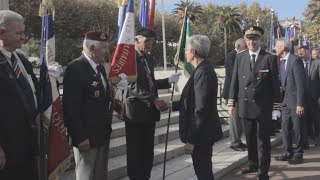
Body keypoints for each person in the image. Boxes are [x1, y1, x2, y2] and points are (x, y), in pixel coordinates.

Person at [156, 34, 223, 180]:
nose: (185, 52)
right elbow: (192, 101)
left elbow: (200, 109)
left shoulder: (203, 72)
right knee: (203, 170)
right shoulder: (200, 70)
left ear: (194, 52)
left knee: (203, 172)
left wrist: (191, 140)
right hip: (202, 134)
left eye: (186, 49)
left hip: (201, 136)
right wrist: (170, 104)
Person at [123, 27, 181, 180]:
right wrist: (154, 100)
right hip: (135, 113)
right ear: (136, 40)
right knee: (136, 153)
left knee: (148, 151)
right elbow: (132, 85)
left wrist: (167, 81)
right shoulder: (129, 58)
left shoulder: (148, 58)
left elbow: (150, 83)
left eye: (152, 42)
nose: (149, 44)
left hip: (149, 113)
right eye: (146, 41)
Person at [228, 26, 281, 180]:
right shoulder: (240, 57)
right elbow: (235, 82)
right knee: (250, 139)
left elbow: (275, 84)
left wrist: (277, 107)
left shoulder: (269, 58)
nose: (252, 42)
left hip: (263, 108)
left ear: (260, 40)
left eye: (255, 39)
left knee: (262, 141)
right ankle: (252, 163)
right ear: (245, 40)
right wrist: (231, 102)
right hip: (245, 106)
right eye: (249, 39)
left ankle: (263, 171)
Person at [63, 31, 113, 180]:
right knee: (86, 175)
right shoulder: (76, 68)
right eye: (104, 47)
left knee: (99, 175)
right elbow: (71, 107)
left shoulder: (100, 67)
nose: (107, 51)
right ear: (92, 48)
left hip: (102, 134)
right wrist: (80, 137)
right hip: (86, 137)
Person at [0, 10, 38, 180]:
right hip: (7, 149)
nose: (23, 37)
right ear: (1, 33)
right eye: (19, 33)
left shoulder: (22, 59)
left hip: (28, 144)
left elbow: (33, 91)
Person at [274, 39, 305, 164]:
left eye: (276, 46)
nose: (275, 48)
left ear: (283, 48)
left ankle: (298, 153)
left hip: (296, 102)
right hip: (285, 101)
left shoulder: (295, 60)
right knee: (285, 127)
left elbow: (300, 84)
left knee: (297, 128)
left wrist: (300, 104)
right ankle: (287, 152)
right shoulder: (282, 62)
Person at [222, 38, 247, 151]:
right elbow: (235, 74)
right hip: (231, 93)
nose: (246, 49)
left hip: (240, 93)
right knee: (234, 119)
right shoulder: (231, 57)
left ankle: (238, 140)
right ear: (238, 46)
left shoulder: (242, 56)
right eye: (244, 47)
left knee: (239, 119)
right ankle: (234, 142)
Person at [299, 46, 320, 146]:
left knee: (316, 118)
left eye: (302, 52)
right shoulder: (298, 63)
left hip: (314, 97)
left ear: (308, 52)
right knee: (304, 118)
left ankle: (318, 138)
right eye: (299, 53)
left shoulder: (317, 63)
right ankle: (306, 140)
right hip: (302, 96)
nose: (300, 55)